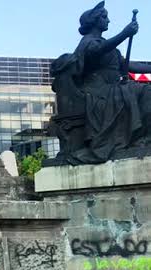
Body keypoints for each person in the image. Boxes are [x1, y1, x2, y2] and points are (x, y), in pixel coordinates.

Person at [51, 1, 151, 164]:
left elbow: (129, 65)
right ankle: (137, 138)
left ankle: (144, 139)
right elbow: (97, 51)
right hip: (98, 91)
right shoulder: (88, 42)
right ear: (94, 21)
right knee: (143, 92)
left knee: (146, 91)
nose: (108, 21)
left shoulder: (107, 45)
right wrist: (124, 34)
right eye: (104, 17)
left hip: (114, 88)